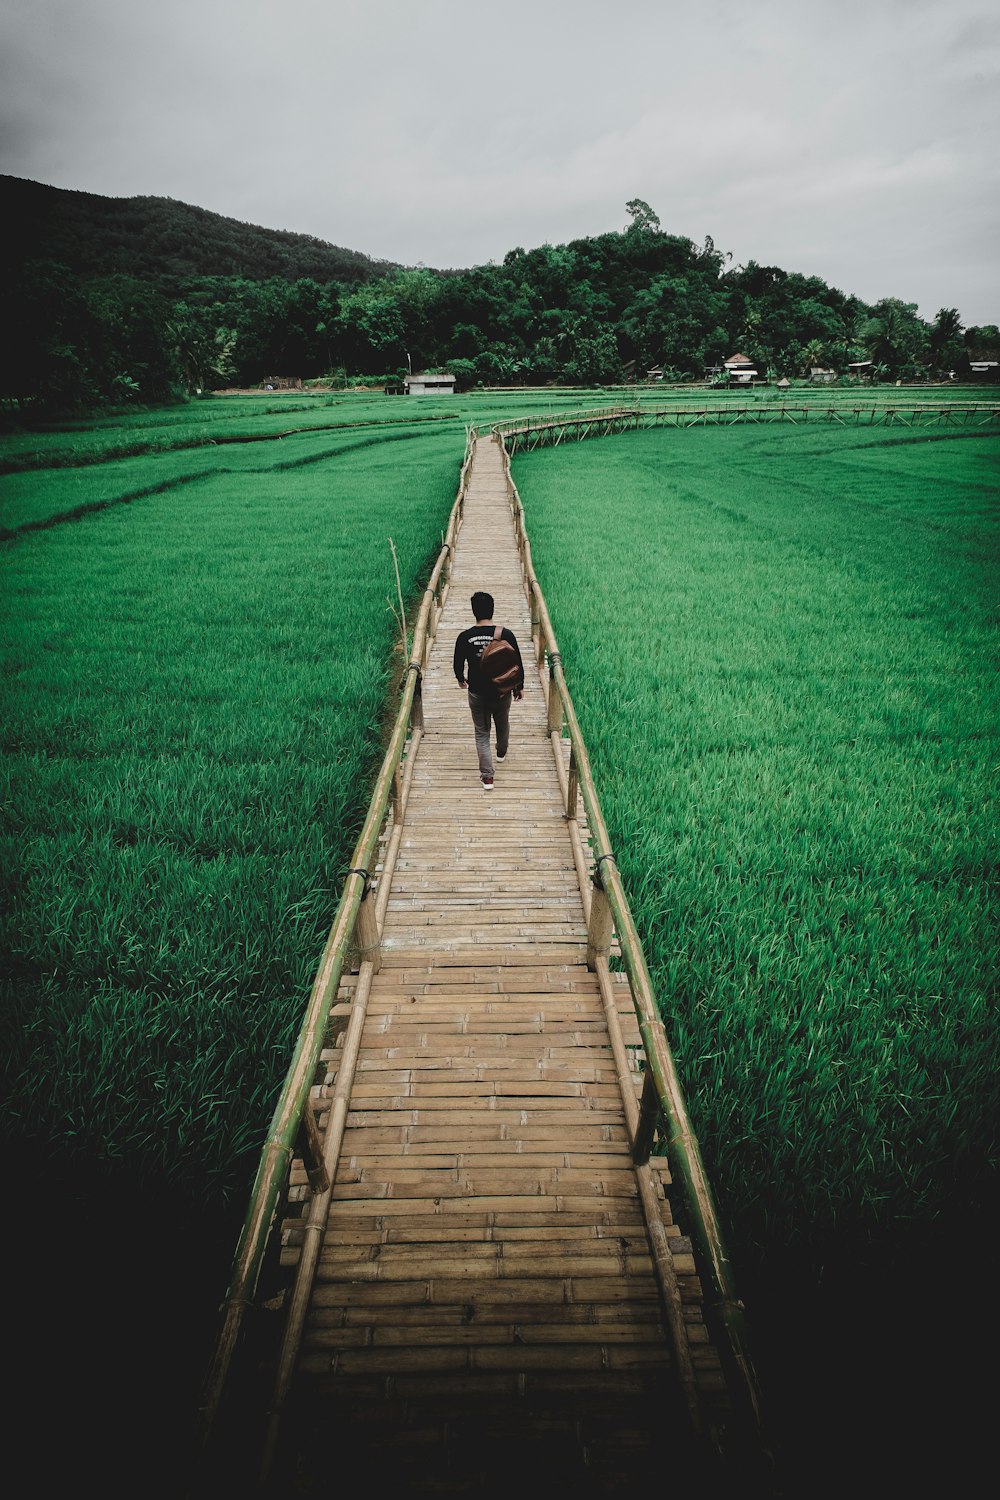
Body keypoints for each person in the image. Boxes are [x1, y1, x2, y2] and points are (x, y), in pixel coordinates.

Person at [453, 591, 524, 790]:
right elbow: (517, 662)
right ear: (492, 609)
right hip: (502, 690)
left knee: (482, 733)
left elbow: (457, 663)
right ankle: (501, 752)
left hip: (477, 692)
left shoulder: (465, 637)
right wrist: (519, 687)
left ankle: (487, 778)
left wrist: (461, 679)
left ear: (473, 611)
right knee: (502, 722)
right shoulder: (506, 634)